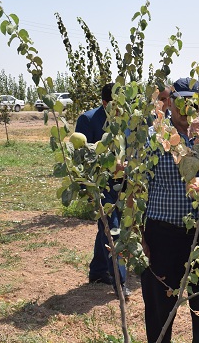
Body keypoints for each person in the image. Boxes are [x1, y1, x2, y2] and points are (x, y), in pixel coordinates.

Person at [140, 77, 199, 343]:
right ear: (169, 102)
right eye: (180, 101)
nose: (186, 108)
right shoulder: (154, 136)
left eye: (193, 102)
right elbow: (137, 188)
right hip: (162, 237)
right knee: (159, 312)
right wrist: (139, 236)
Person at [77, 82, 130, 298]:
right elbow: (81, 158)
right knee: (112, 229)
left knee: (108, 227)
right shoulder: (88, 120)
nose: (120, 110)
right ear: (105, 103)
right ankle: (120, 282)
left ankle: (99, 272)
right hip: (101, 185)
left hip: (123, 184)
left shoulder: (125, 120)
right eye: (115, 105)